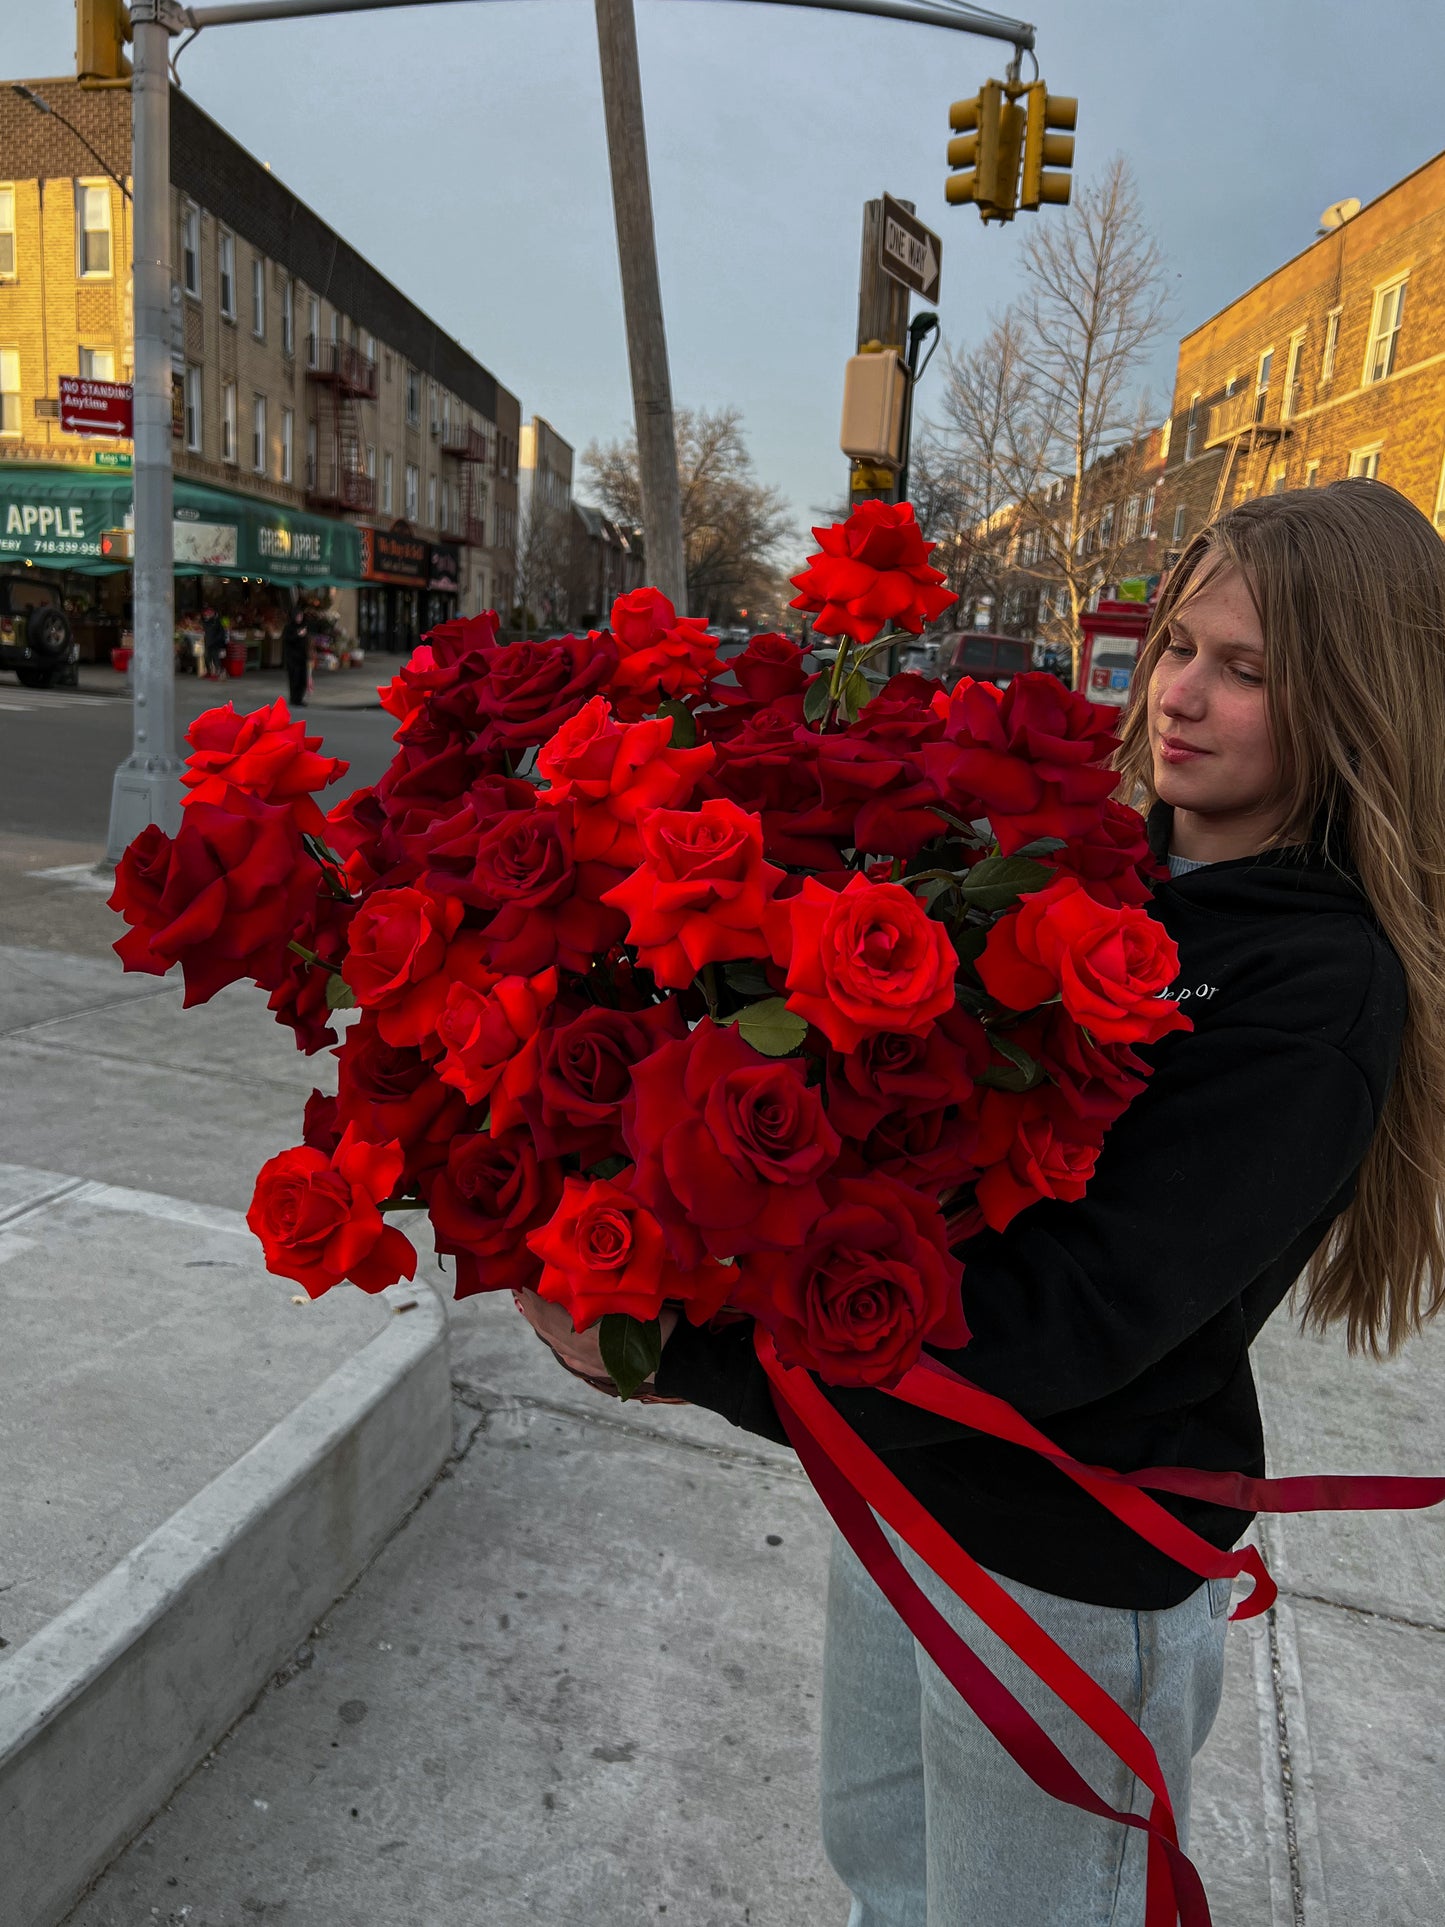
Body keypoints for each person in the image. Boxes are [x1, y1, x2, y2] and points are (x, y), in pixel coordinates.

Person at [515, 479, 1445, 1926]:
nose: (1181, 695)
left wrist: (681, 1358)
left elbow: (1057, 1325)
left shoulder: (1318, 987)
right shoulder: (1094, 861)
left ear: (1357, 698)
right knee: (883, 1876)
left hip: (1069, 1575)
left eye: (1245, 669)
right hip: (908, 1503)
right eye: (1178, 645)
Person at [282, 606, 311, 709]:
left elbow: (306, 642)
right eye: (298, 616)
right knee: (294, 678)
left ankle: (299, 698)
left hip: (302, 657)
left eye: (301, 616)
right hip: (293, 658)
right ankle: (294, 698)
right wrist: (298, 635)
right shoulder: (289, 627)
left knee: (302, 679)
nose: (299, 618)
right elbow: (288, 640)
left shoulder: (303, 626)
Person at [202, 606, 226, 681]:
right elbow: (205, 631)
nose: (206, 616)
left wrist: (218, 641)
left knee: (215, 658)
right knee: (206, 657)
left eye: (208, 614)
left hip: (215, 643)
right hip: (208, 642)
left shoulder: (217, 622)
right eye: (205, 615)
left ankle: (218, 674)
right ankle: (209, 672)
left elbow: (221, 633)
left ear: (212, 614)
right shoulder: (206, 622)